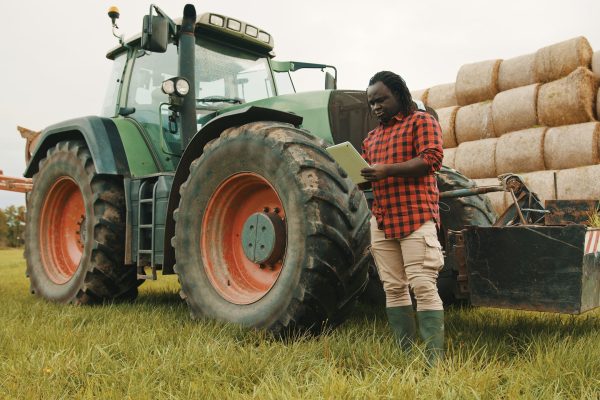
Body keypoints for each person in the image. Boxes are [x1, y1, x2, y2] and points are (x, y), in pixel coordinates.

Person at [360, 71, 445, 365]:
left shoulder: (421, 122)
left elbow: (431, 159)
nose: (376, 107)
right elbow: (372, 176)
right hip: (382, 220)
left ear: (399, 94)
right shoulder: (371, 138)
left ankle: (433, 362)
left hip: (415, 216)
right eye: (371, 102)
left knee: (422, 284)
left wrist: (388, 169)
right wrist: (362, 178)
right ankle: (407, 356)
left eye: (381, 99)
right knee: (393, 288)